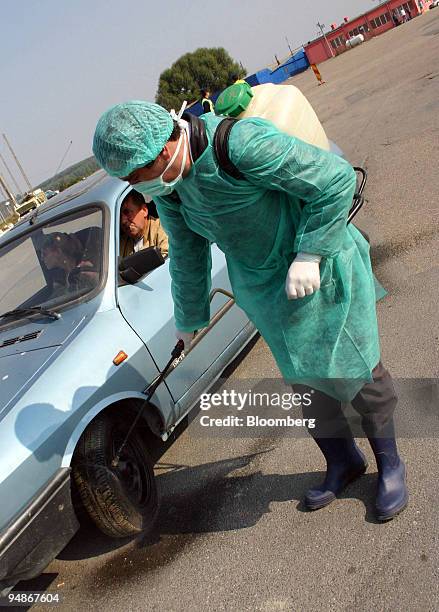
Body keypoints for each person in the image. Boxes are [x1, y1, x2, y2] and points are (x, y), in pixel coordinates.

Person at [92, 100, 408, 521]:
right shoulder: (170, 188)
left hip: (319, 269)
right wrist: (188, 321)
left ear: (163, 152)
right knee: (306, 381)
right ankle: (343, 461)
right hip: (264, 290)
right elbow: (187, 254)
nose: (137, 188)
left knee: (357, 371)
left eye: (135, 176)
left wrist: (311, 253)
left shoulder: (238, 146)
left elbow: (334, 181)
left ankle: (390, 464)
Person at [119, 190, 169, 258]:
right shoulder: (121, 243)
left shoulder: (164, 227)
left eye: (127, 212)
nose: (123, 221)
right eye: (119, 216)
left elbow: (167, 258)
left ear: (144, 210)